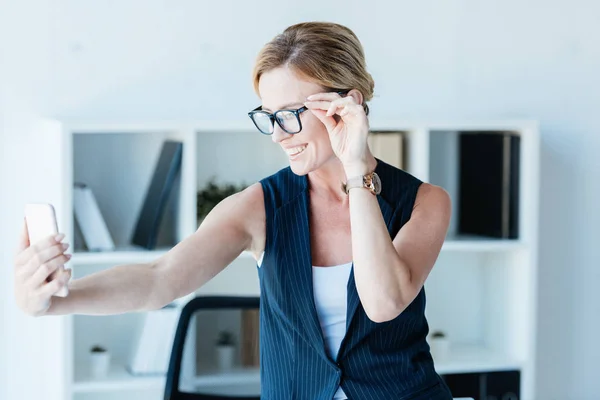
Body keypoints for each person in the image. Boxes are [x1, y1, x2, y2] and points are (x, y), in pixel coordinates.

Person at [14, 22, 453, 399]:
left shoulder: (423, 203)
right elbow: (159, 280)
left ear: (347, 104)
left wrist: (357, 170)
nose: (279, 135)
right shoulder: (260, 207)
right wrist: (54, 301)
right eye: (269, 116)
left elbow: (382, 303)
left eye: (291, 115)